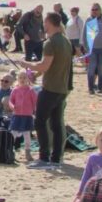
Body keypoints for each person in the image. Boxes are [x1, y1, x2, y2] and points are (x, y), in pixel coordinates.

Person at [30, 11, 74, 166]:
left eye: (45, 23)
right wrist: (36, 74)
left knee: (40, 122)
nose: (44, 26)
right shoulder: (66, 41)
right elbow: (52, 66)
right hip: (62, 88)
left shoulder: (51, 42)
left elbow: (44, 65)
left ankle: (44, 157)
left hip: (50, 88)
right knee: (57, 124)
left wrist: (27, 64)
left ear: (49, 22)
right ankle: (56, 157)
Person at [6, 69, 37, 138]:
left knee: (26, 133)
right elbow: (11, 100)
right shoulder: (15, 90)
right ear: (17, 79)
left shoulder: (31, 90)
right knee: (14, 131)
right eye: (20, 77)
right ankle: (11, 146)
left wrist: (35, 111)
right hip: (17, 114)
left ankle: (27, 148)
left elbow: (35, 101)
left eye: (24, 77)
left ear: (28, 79)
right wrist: (13, 106)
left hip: (27, 115)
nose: (22, 79)